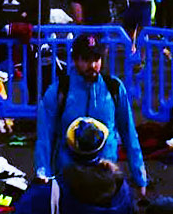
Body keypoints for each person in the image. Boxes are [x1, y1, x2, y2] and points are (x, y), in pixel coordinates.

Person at [33, 35, 147, 196]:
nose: (92, 65)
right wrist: (42, 174)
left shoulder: (114, 88)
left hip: (105, 178)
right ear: (74, 60)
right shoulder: (58, 91)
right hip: (69, 178)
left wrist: (140, 177)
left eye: (96, 59)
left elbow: (129, 133)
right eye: (86, 59)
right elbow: (45, 136)